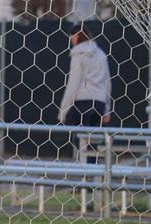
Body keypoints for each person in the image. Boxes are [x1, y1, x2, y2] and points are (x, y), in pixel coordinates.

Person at [58, 24, 112, 163]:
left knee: (81, 141)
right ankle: (93, 176)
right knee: (93, 142)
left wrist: (63, 111)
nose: (70, 40)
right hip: (98, 103)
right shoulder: (101, 54)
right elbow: (107, 83)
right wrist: (106, 110)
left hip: (82, 102)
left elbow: (73, 84)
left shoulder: (78, 55)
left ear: (76, 36)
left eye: (71, 37)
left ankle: (84, 177)